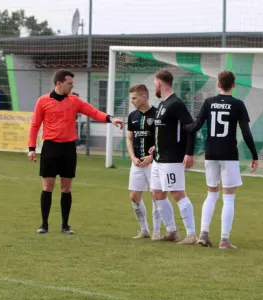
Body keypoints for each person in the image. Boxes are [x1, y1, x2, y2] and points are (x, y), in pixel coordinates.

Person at [28, 69, 124, 234]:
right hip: (50, 147)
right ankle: (44, 225)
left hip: (68, 148)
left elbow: (93, 112)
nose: (72, 86)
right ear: (59, 83)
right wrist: (31, 148)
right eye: (70, 83)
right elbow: (35, 125)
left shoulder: (74, 101)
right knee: (48, 186)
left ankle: (65, 225)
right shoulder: (42, 101)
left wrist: (110, 119)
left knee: (66, 188)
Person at [183, 70, 259, 249]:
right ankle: (224, 239)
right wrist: (254, 155)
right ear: (234, 85)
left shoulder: (209, 102)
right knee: (229, 198)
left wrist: (182, 126)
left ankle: (203, 233)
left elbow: (195, 126)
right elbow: (246, 132)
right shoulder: (238, 104)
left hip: (211, 154)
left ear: (218, 84)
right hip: (229, 155)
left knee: (211, 194)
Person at [147, 70, 197, 245]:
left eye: (155, 83)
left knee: (178, 194)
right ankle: (172, 231)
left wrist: (189, 152)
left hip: (172, 159)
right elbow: (165, 130)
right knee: (157, 194)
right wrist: (157, 145)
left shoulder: (176, 104)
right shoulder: (162, 104)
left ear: (160, 84)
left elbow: (191, 128)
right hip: (159, 158)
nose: (154, 86)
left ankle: (191, 235)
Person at [125, 84, 162, 240]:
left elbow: (162, 139)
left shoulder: (157, 114)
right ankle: (144, 229)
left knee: (156, 195)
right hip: (137, 162)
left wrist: (151, 157)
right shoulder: (132, 116)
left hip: (154, 163)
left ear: (144, 97)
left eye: (134, 98)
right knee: (134, 196)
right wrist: (133, 157)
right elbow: (129, 138)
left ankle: (157, 232)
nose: (132, 101)